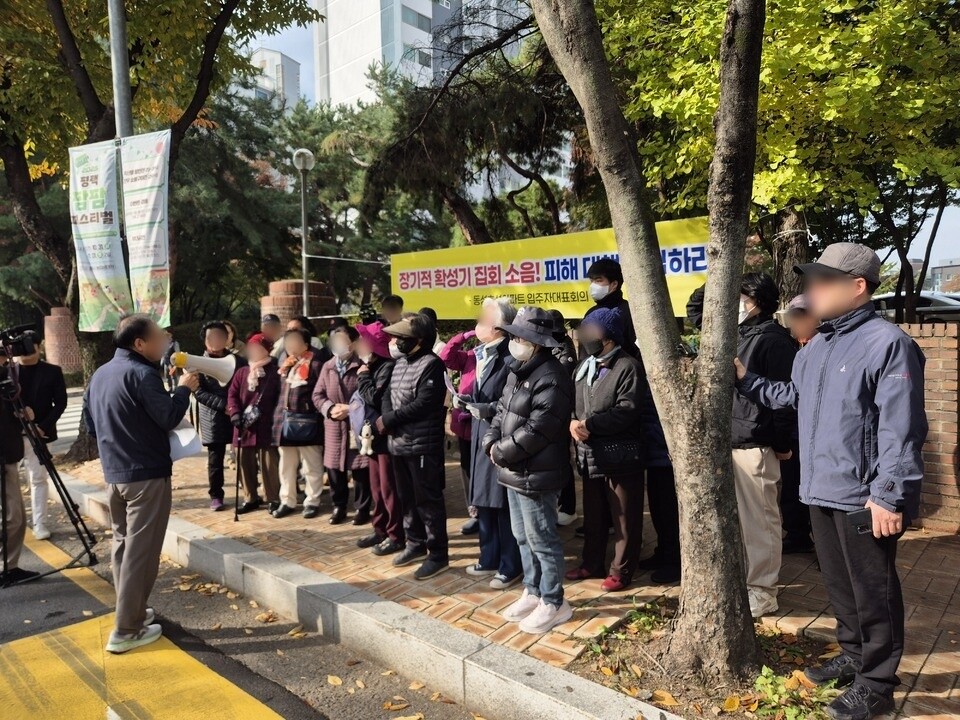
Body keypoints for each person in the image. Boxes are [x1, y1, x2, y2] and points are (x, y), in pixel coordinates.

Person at [736, 243, 926, 720]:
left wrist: (888, 495)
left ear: (857, 287)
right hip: (820, 488)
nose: (810, 290)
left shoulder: (888, 344)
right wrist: (744, 378)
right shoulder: (818, 344)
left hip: (865, 496)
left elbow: (901, 429)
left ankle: (878, 683)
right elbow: (790, 396)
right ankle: (854, 656)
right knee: (841, 587)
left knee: (873, 591)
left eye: (821, 281)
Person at [83, 314, 200, 653]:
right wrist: (183, 390)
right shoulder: (143, 374)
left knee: (124, 547)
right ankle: (127, 630)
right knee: (142, 554)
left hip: (115, 475)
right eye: (160, 337)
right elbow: (168, 416)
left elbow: (91, 427)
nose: (165, 342)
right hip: (146, 476)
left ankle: (130, 613)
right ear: (139, 343)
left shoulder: (101, 374)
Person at [484, 306, 575, 634]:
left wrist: (501, 451)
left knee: (542, 537)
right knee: (522, 536)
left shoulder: (552, 374)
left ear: (536, 342)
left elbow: (541, 428)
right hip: (513, 470)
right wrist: (491, 442)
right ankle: (533, 590)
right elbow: (500, 412)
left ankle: (554, 600)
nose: (514, 341)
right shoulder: (517, 369)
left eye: (520, 336)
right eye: (514, 335)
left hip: (538, 472)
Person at [732, 272, 797, 618]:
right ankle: (751, 583)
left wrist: (782, 443)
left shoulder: (773, 341)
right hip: (736, 440)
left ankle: (763, 591)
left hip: (756, 444)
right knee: (746, 523)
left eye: (740, 297)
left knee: (762, 522)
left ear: (756, 299)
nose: (735, 305)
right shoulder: (742, 335)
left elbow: (785, 399)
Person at [566, 309, 645, 592]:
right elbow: (573, 405)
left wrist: (590, 424)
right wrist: (573, 422)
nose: (584, 335)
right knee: (594, 515)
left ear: (609, 337)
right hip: (589, 454)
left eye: (591, 330)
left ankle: (621, 571)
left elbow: (627, 409)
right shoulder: (584, 365)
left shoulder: (627, 366)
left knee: (625, 517)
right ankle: (591, 562)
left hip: (620, 455)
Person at [457, 298, 522, 589]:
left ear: (498, 327)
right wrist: (470, 402)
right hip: (478, 433)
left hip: (499, 437)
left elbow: (513, 401)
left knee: (502, 503)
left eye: (484, 319)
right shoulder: (479, 354)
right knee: (483, 497)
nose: (478, 323)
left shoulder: (510, 356)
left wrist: (489, 408)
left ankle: (510, 564)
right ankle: (489, 556)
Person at [379, 314, 449, 580]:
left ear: (418, 340)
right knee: (406, 499)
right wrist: (386, 418)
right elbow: (387, 393)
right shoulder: (400, 363)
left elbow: (424, 403)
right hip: (398, 442)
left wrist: (388, 420)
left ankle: (438, 554)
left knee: (428, 501)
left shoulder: (432, 364)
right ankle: (415, 542)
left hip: (422, 445)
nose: (395, 342)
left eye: (401, 338)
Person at [312, 326, 371, 524]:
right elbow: (317, 394)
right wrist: (329, 408)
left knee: (360, 470)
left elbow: (368, 395)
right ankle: (339, 507)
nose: (337, 344)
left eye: (342, 339)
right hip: (334, 426)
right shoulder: (328, 366)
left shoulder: (362, 364)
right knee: (335, 469)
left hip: (356, 425)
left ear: (353, 343)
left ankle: (362, 509)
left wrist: (350, 409)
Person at [355, 322, 404, 555]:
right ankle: (380, 529)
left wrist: (363, 377)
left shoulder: (387, 366)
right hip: (371, 436)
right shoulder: (370, 365)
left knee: (389, 488)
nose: (359, 345)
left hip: (386, 437)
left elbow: (375, 398)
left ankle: (396, 534)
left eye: (364, 340)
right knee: (376, 487)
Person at [15, 338, 67, 539]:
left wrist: (41, 426)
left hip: (40, 433)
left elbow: (60, 403)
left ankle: (40, 523)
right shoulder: (7, 372)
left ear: (39, 347)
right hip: (12, 435)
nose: (25, 350)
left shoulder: (52, 371)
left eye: (28, 345)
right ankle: (11, 523)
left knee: (38, 479)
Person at [271, 329, 325, 518]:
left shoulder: (317, 363)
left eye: (295, 341)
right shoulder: (285, 365)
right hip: (284, 422)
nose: (291, 345)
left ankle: (312, 501)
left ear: (306, 343)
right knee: (286, 466)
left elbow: (321, 393)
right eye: (288, 342)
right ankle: (287, 500)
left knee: (311, 465)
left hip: (308, 422)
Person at [193, 321, 246, 512]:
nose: (215, 341)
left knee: (243, 454)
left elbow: (244, 383)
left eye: (219, 337)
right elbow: (198, 392)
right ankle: (216, 495)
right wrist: (224, 406)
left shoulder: (238, 361)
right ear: (204, 341)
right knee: (216, 459)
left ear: (227, 339)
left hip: (236, 412)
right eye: (211, 338)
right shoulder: (196, 363)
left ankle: (248, 492)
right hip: (213, 417)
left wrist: (234, 406)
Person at [226, 333, 281, 514]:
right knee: (244, 463)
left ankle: (272, 497)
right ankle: (250, 497)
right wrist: (234, 413)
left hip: (267, 424)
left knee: (269, 464)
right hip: (243, 424)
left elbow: (280, 397)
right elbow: (232, 394)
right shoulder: (242, 372)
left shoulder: (275, 371)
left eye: (257, 347)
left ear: (267, 350)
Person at [780, 294, 817, 554]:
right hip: (796, 434)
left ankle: (817, 543)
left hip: (813, 438)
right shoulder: (794, 347)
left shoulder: (823, 349)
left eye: (800, 317)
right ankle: (798, 536)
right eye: (793, 318)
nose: (796, 324)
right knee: (793, 491)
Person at [437, 326, 480, 535]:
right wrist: (463, 336)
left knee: (482, 473)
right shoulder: (470, 356)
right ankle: (474, 513)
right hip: (463, 426)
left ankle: (485, 513)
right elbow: (446, 356)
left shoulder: (503, 359)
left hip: (482, 426)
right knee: (466, 471)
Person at [0, 355, 35, 585]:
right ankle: (6, 567)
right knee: (12, 517)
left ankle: (10, 566)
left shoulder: (5, 376)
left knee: (18, 517)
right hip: (2, 456)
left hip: (9, 454)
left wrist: (20, 414)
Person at [547, 309, 578, 527]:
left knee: (562, 461)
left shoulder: (564, 348)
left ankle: (568, 507)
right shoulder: (551, 345)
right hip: (551, 413)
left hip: (561, 413)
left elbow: (559, 380)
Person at [583, 258, 638, 358]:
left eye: (598, 280)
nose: (593, 285)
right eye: (591, 281)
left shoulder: (629, 312)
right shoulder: (590, 313)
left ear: (614, 284)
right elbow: (585, 351)